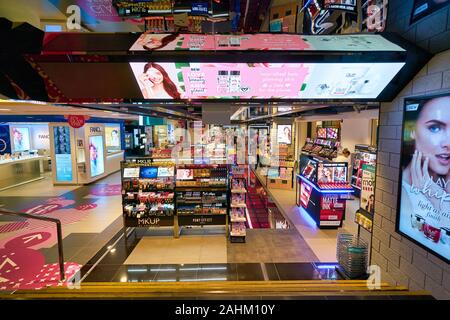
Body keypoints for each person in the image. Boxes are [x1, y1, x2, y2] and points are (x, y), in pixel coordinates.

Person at [401, 96, 450, 213]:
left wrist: (438, 199)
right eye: (435, 128)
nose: (448, 143)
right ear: (413, 131)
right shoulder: (402, 191)